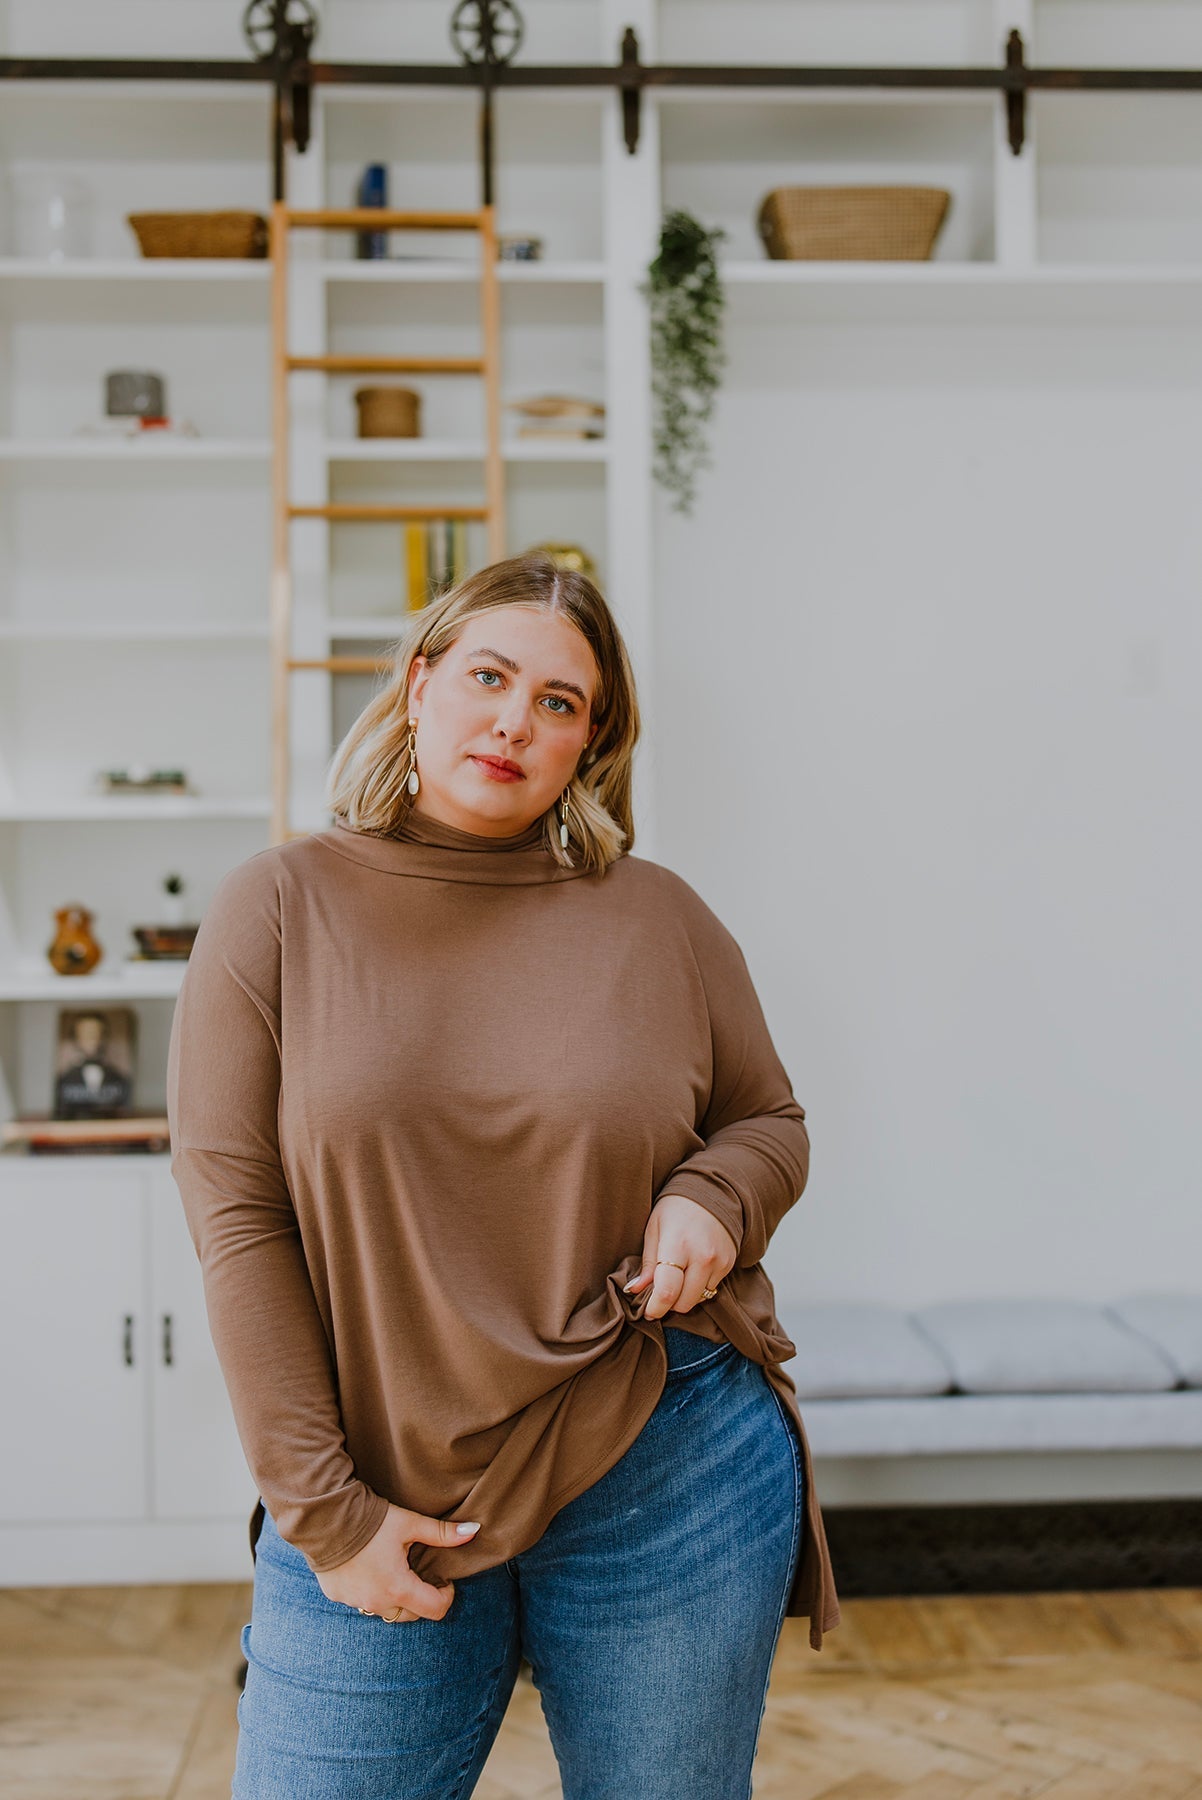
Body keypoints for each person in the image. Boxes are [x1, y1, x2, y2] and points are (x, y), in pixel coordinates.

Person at [166, 552, 840, 1800]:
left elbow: (768, 1120)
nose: (513, 721)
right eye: (488, 676)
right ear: (419, 685)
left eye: (557, 702)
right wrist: (327, 1514)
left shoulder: (658, 919)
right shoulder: (277, 908)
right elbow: (241, 1224)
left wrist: (713, 1195)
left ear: (588, 744)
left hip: (666, 1457)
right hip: (381, 1477)